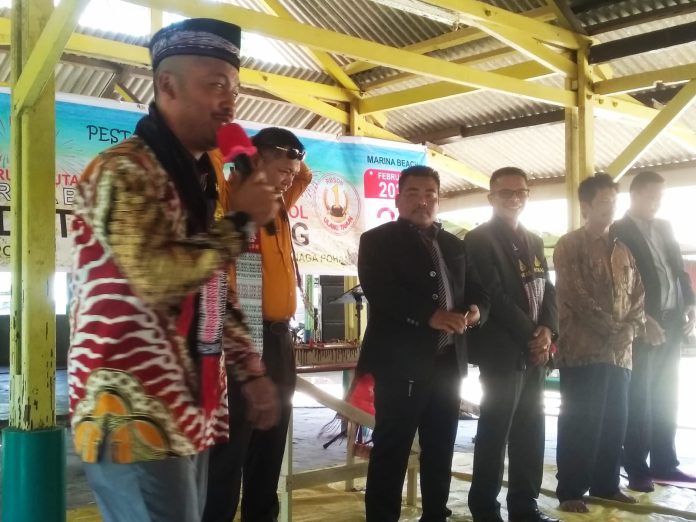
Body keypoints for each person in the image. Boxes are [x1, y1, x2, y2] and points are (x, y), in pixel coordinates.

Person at [68, 19, 280, 522]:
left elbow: (208, 285)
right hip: (131, 407)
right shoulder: (123, 170)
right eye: (216, 85)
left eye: (235, 90)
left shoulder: (192, 178)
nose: (229, 103)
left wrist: (251, 370)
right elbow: (155, 277)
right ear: (167, 85)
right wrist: (242, 222)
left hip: (188, 404)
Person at [358, 165, 489, 522]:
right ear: (397, 199)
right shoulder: (377, 241)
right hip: (400, 366)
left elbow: (478, 291)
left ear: (438, 199)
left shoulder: (455, 245)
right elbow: (381, 292)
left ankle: (435, 515)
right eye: (413, 193)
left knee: (441, 447)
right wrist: (430, 315)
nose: (422, 201)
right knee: (392, 449)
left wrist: (476, 311)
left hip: (449, 363)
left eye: (430, 194)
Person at [203, 128, 312, 522]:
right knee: (230, 448)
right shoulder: (229, 197)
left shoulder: (277, 203)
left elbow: (304, 174)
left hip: (279, 340)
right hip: (238, 340)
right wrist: (247, 158)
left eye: (290, 174)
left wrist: (287, 162)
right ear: (254, 161)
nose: (287, 180)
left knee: (271, 443)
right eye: (281, 170)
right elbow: (215, 153)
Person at [464, 167, 559, 522]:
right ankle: (485, 511)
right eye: (506, 193)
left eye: (521, 192)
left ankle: (525, 506)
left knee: (531, 431)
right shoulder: (479, 239)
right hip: (501, 351)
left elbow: (548, 289)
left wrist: (548, 329)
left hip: (535, 352)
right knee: (495, 433)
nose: (514, 198)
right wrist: (532, 335)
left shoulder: (534, 239)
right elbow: (493, 295)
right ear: (491, 197)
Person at [553, 173, 645, 513]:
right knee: (580, 422)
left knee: (614, 421)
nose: (610, 208)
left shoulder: (623, 249)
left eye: (613, 202)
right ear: (586, 206)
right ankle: (571, 490)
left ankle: (607, 484)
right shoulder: (569, 245)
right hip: (583, 351)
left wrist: (630, 328)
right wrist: (613, 328)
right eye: (604, 202)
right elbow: (574, 295)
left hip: (620, 354)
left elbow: (639, 295)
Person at [612, 171, 696, 492]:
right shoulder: (618, 231)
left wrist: (691, 302)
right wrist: (642, 318)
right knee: (640, 397)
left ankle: (665, 462)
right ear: (634, 195)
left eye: (661, 197)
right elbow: (621, 283)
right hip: (643, 325)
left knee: (666, 394)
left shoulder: (665, 226)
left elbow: (678, 270)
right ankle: (636, 466)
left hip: (673, 321)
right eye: (651, 197)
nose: (657, 203)